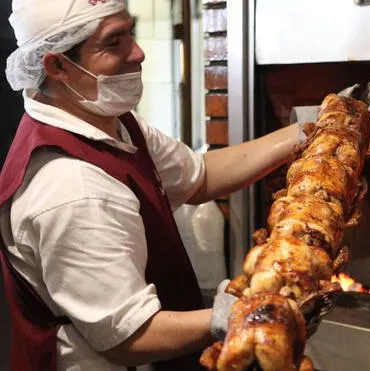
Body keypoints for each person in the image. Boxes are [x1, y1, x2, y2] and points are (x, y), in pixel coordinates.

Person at [0, 1, 314, 370]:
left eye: (129, 32)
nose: (138, 52)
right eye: (113, 42)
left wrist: (307, 131)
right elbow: (130, 336)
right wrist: (237, 313)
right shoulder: (70, 185)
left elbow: (200, 176)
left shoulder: (108, 123)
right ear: (57, 66)